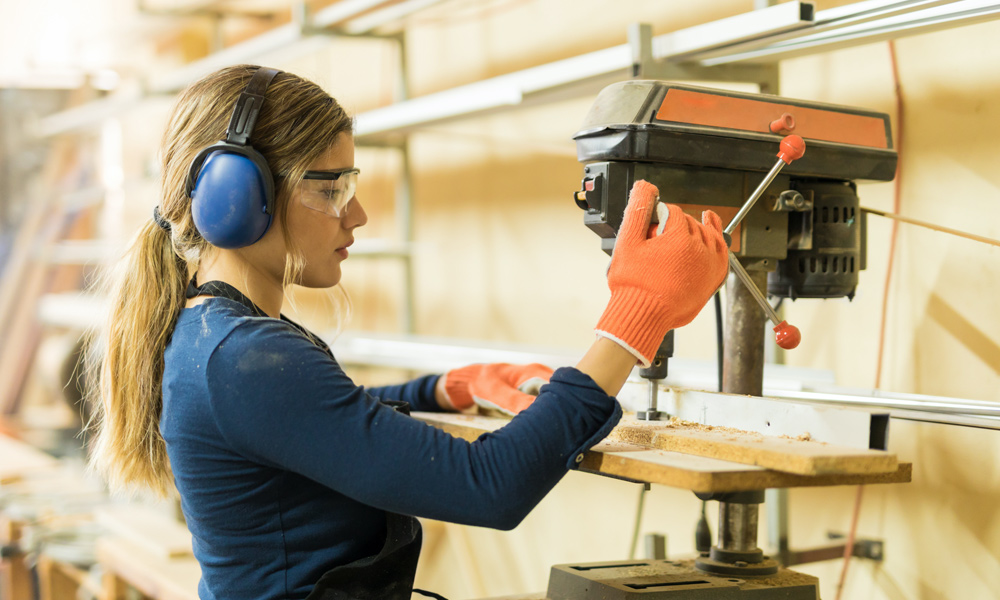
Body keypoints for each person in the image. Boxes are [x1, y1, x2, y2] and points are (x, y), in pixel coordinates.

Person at [88, 64, 729, 600]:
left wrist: (441, 389)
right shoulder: (245, 357)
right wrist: (634, 316)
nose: (357, 215)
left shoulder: (216, 335)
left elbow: (319, 423)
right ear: (236, 194)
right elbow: (490, 486)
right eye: (330, 189)